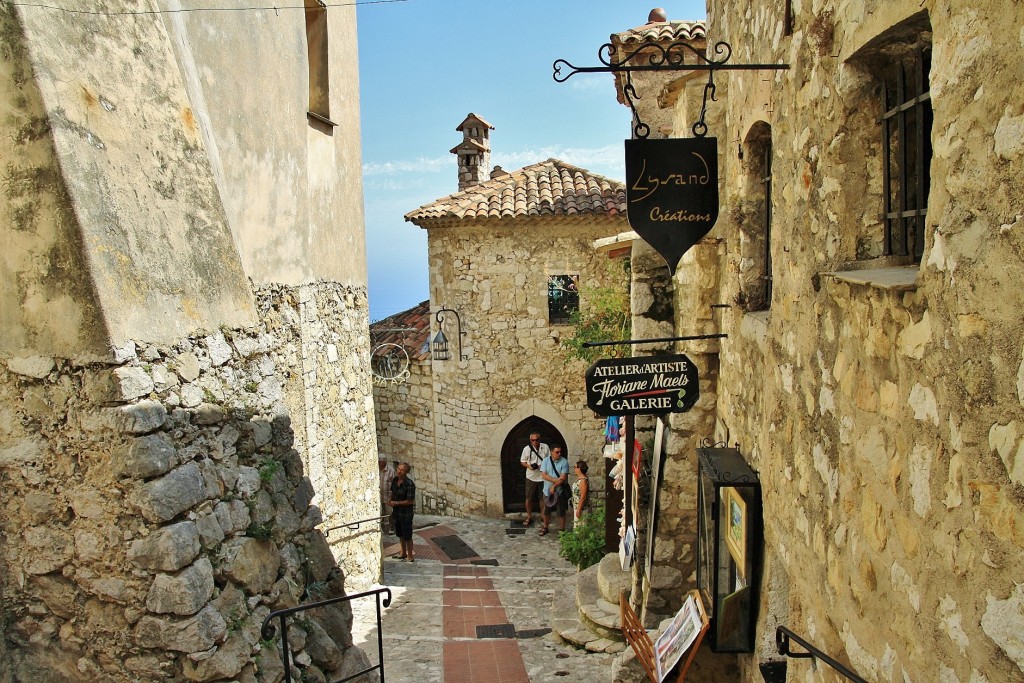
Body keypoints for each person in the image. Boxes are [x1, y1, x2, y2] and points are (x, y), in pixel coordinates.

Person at [520, 432, 550, 527]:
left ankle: (543, 515)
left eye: (537, 440)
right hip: (531, 477)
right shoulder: (526, 449)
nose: (535, 442)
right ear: (530, 440)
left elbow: (549, 459)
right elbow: (522, 461)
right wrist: (529, 466)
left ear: (540, 440)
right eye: (533, 440)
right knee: (529, 498)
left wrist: (542, 465)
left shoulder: (545, 447)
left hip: (543, 477)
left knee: (542, 498)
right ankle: (529, 516)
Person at [539, 446, 570, 536]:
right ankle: (545, 527)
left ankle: (561, 529)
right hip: (547, 490)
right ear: (552, 452)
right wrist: (555, 480)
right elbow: (544, 475)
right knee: (546, 510)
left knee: (561, 510)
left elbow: (563, 477)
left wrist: (554, 486)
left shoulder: (564, 462)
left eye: (560, 452)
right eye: (557, 452)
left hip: (559, 491)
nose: (559, 454)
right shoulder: (545, 461)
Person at [388, 462, 416, 561]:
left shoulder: (410, 484)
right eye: (398, 469)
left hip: (406, 514)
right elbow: (392, 491)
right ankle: (403, 552)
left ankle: (410, 555)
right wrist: (390, 500)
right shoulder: (395, 480)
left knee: (407, 535)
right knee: (400, 533)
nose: (399, 471)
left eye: (402, 470)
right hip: (397, 512)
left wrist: (396, 503)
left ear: (406, 472)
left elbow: (410, 501)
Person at [379, 455, 395, 533]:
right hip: (379, 496)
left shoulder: (391, 471)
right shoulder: (377, 469)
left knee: (390, 513)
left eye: (380, 462)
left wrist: (392, 496)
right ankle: (381, 529)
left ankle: (391, 528)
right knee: (381, 513)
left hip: (388, 496)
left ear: (384, 462)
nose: (379, 463)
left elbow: (395, 484)